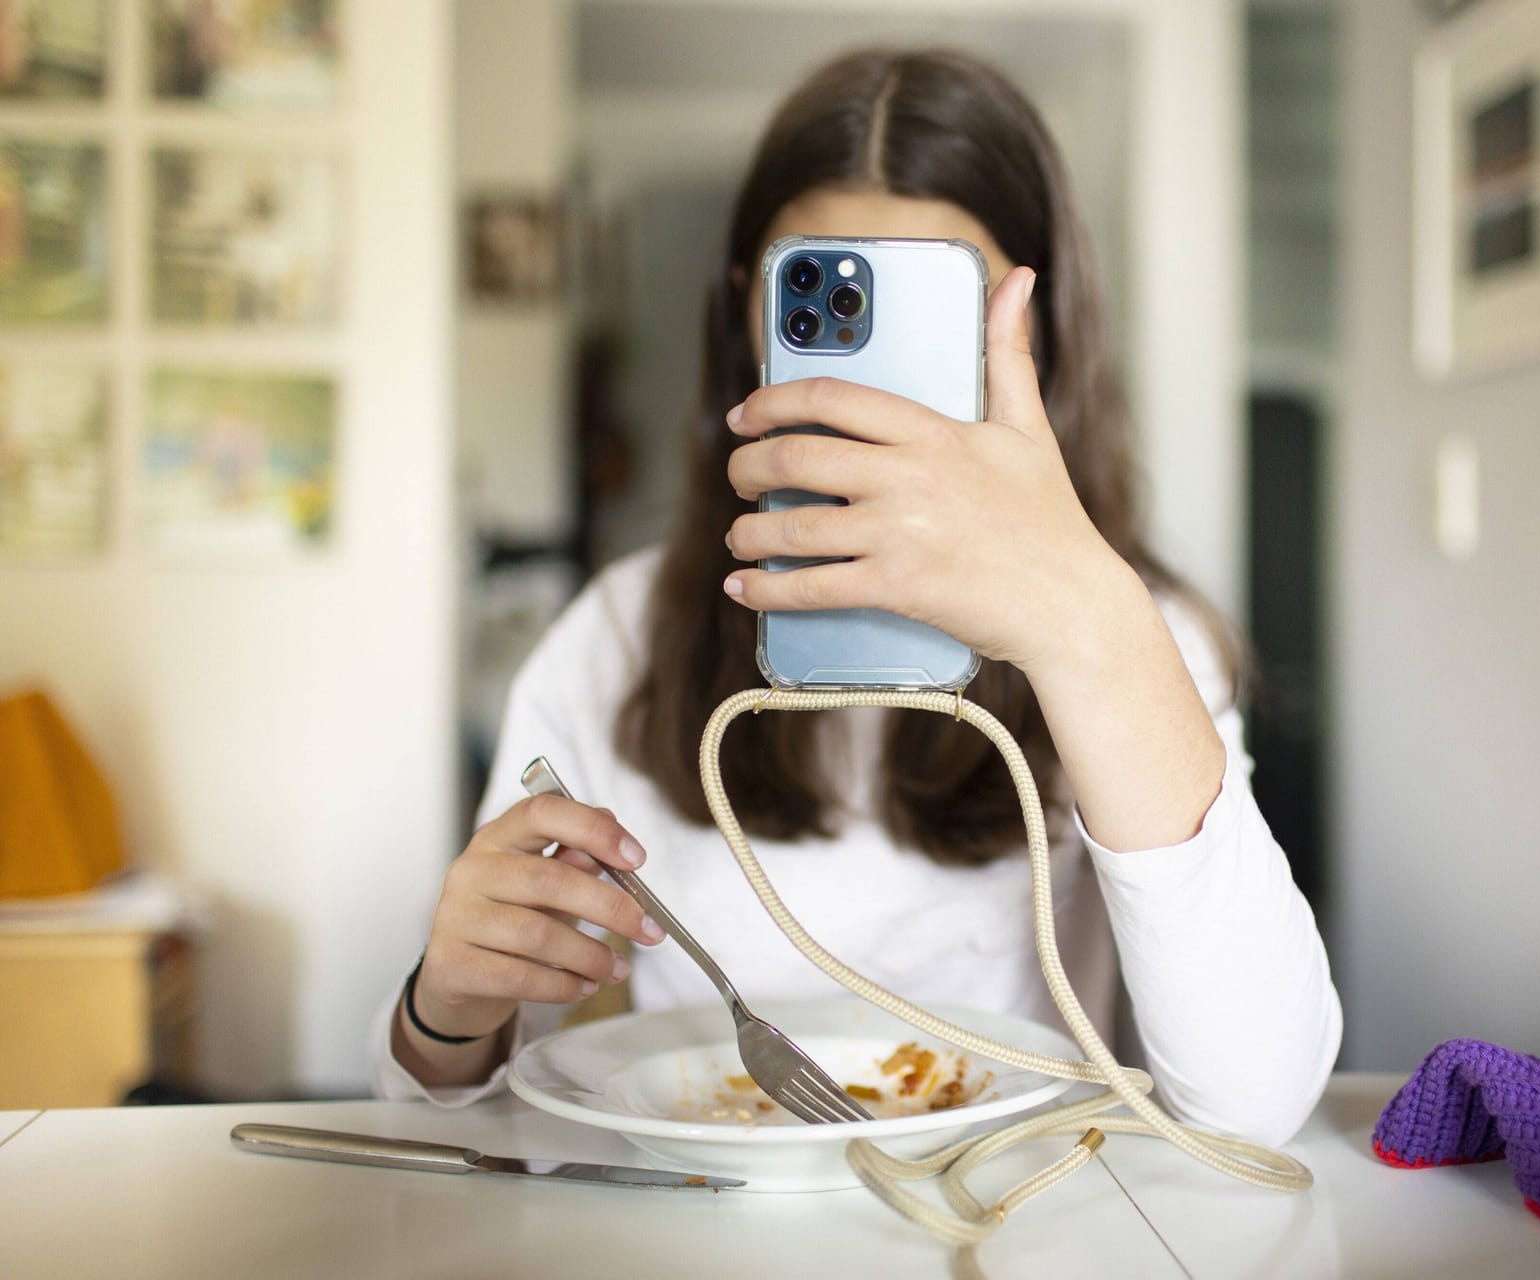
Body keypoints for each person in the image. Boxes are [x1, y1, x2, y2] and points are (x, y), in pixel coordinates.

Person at [371, 47, 1340, 1146]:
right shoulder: (615, 637)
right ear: (746, 316)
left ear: (1039, 336)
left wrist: (1090, 625)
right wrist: (444, 1010)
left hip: (1012, 1223)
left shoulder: (1131, 632)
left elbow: (1257, 1109)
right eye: (827, 301)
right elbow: (460, 1110)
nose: (872, 390)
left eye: (929, 317)